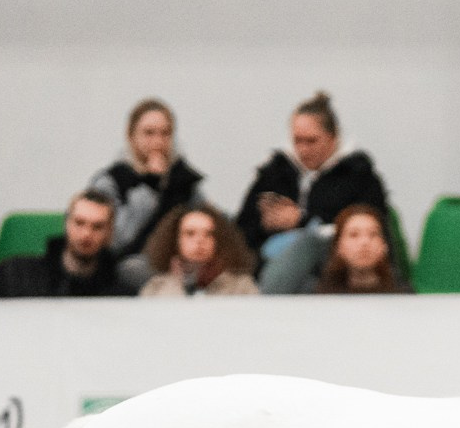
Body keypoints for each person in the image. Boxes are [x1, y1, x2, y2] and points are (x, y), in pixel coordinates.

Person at [234, 91, 390, 262]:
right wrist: (264, 225)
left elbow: (371, 232)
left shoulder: (359, 177)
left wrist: (302, 220)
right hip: (268, 264)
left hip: (335, 267)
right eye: (297, 141)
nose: (303, 150)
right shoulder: (275, 174)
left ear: (333, 138)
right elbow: (241, 231)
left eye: (311, 141)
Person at [86, 98, 207, 290]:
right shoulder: (111, 181)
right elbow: (117, 240)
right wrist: (150, 185)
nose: (158, 142)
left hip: (182, 264)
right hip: (128, 265)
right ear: (131, 136)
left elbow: (206, 220)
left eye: (165, 133)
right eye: (149, 133)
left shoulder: (182, 179)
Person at [0, 190, 123, 298]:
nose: (86, 234)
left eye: (97, 227)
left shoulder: (119, 295)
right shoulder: (15, 275)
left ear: (109, 233)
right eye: (79, 223)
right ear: (66, 223)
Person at [137, 203, 258, 298]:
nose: (200, 240)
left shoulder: (242, 287)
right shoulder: (156, 287)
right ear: (175, 240)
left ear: (220, 240)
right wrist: (177, 284)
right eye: (190, 233)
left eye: (209, 234)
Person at [316, 205, 410, 293]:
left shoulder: (403, 296)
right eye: (354, 235)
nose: (364, 242)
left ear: (384, 245)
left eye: (373, 234)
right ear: (338, 246)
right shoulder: (320, 297)